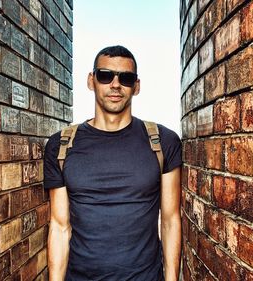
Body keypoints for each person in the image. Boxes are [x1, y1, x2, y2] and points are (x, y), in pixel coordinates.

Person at [43, 45, 182, 281]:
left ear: (136, 86)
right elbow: (59, 226)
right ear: (91, 80)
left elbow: (170, 221)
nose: (115, 84)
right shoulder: (61, 146)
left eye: (125, 78)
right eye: (105, 75)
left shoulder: (162, 142)